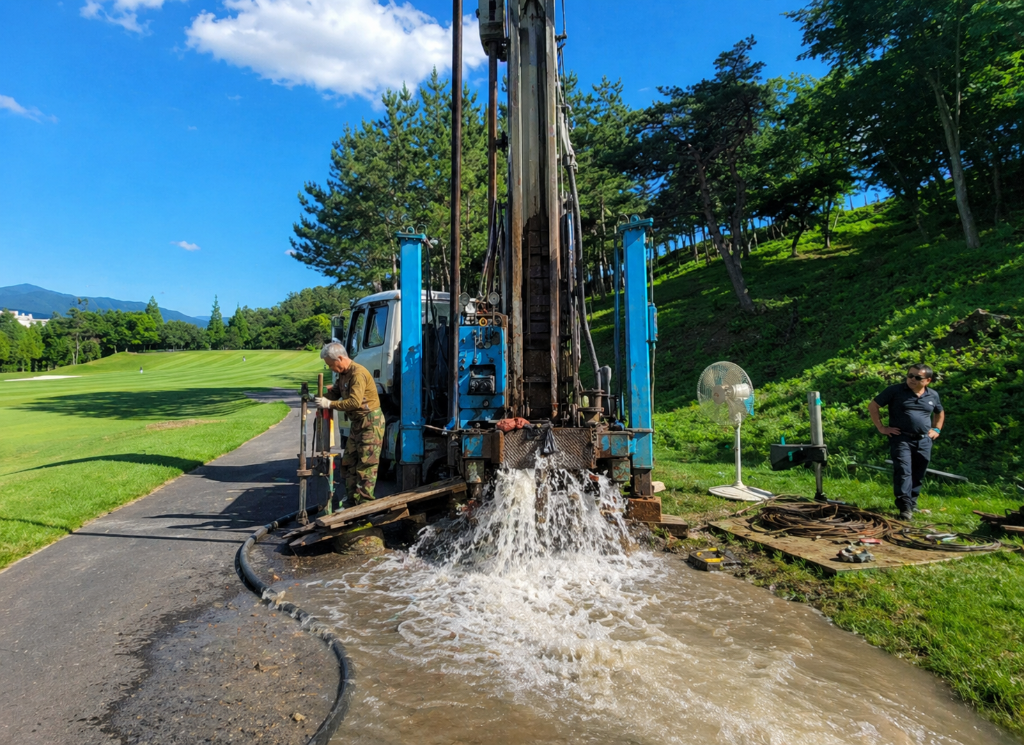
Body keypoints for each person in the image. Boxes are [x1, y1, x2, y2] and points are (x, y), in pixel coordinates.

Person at [868, 364, 945, 521]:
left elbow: (940, 412)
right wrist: (881, 428)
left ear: (928, 380)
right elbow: (873, 406)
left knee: (919, 472)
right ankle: (904, 507)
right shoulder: (895, 391)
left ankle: (912, 503)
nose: (912, 379)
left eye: (917, 377)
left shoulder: (932, 395)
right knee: (903, 471)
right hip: (901, 438)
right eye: (910, 375)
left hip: (924, 440)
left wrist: (936, 429)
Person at [314, 342, 384, 506]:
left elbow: (353, 402)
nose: (331, 368)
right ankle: (352, 499)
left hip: (370, 422)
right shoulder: (343, 375)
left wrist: (329, 404)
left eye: (331, 364)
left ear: (340, 358)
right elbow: (335, 393)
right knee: (349, 461)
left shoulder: (357, 374)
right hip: (357, 423)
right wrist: (317, 397)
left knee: (366, 465)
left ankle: (364, 505)